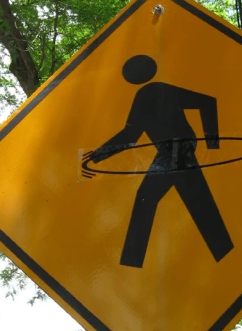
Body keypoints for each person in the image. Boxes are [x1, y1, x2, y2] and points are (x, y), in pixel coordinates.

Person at [90, 54, 234, 268]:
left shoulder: (156, 90)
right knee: (196, 199)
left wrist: (212, 145)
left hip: (177, 148)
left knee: (146, 198)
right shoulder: (144, 95)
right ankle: (225, 253)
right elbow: (131, 136)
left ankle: (131, 261)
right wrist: (98, 156)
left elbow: (206, 102)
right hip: (173, 150)